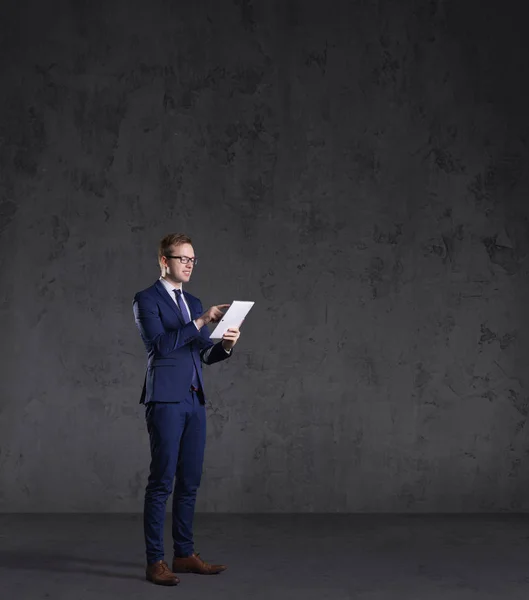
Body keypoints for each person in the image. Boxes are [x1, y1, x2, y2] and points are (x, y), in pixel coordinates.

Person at [132, 232, 241, 586]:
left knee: (190, 481)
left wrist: (224, 345)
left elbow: (201, 355)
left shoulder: (193, 301)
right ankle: (155, 561)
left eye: (193, 259)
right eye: (183, 259)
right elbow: (160, 346)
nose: (189, 264)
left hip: (194, 399)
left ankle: (184, 553)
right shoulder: (146, 300)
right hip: (164, 400)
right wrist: (199, 322)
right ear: (165, 261)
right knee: (161, 482)